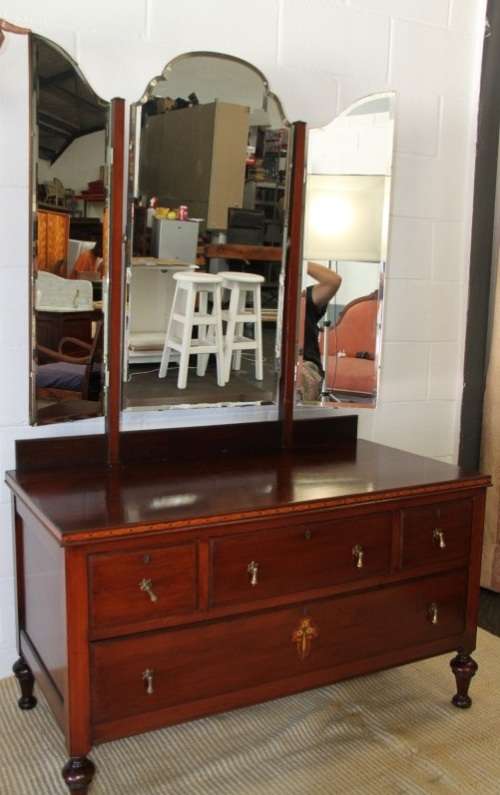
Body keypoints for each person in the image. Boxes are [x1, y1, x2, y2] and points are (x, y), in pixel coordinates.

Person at [299, 261, 342, 401]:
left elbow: (333, 281)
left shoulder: (303, 301)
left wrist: (296, 259)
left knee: (302, 376)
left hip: (304, 366)